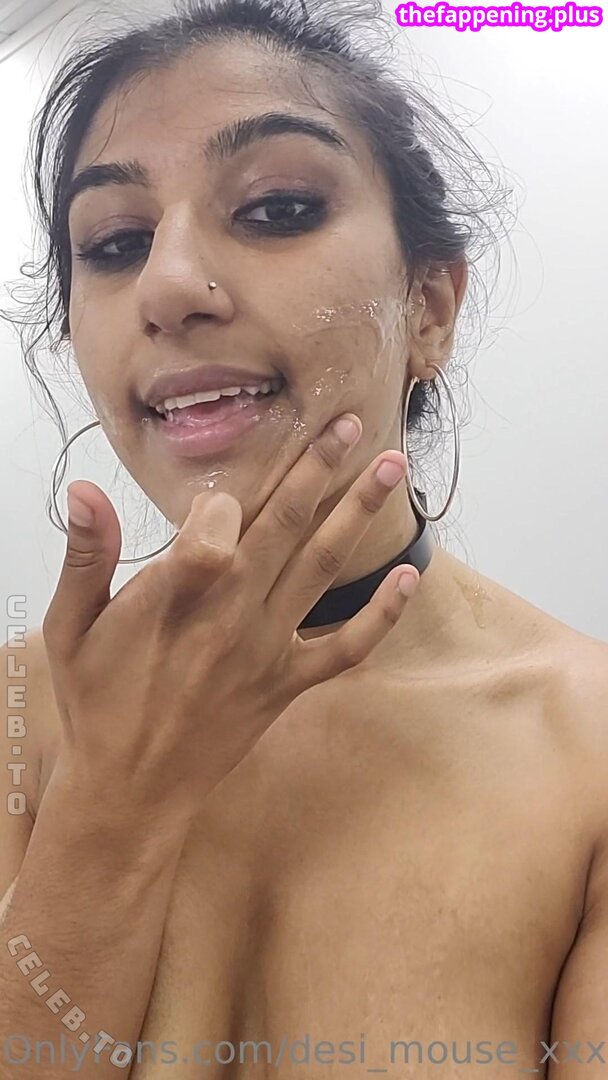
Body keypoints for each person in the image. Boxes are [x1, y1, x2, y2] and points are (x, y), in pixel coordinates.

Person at [1, 0, 607, 1076]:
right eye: (116, 244)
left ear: (429, 307)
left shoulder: (588, 751)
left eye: (277, 209)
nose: (167, 286)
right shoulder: (14, 722)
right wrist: (109, 814)